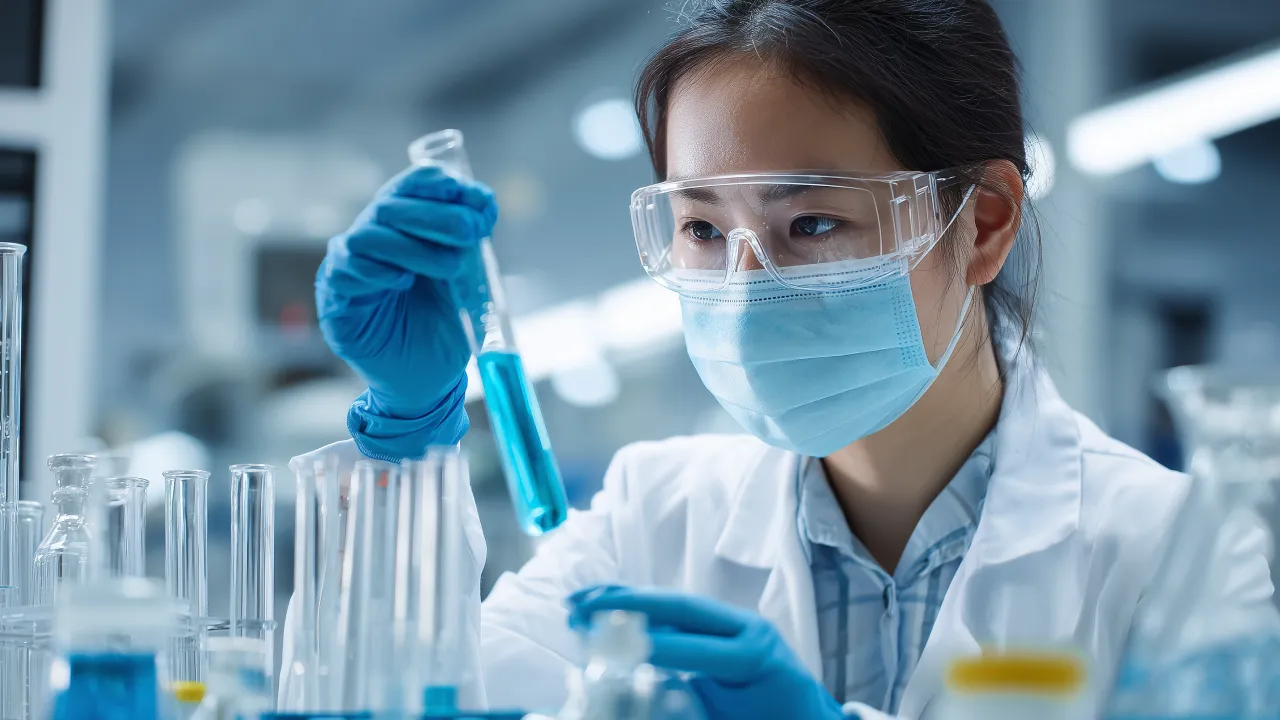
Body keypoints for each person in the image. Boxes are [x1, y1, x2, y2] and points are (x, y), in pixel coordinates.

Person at [283, 0, 1276, 718]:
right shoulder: (652, 514)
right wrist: (407, 429)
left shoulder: (1170, 554)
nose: (747, 285)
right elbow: (391, 699)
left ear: (981, 224)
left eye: (812, 222)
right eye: (701, 229)